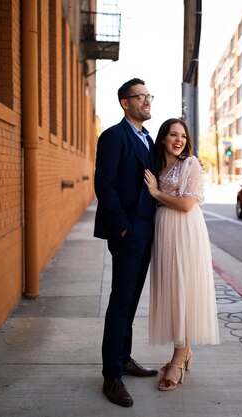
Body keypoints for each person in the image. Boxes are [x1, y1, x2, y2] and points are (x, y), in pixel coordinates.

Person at [93, 78, 159, 408]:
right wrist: (122, 229)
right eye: (140, 96)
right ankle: (111, 376)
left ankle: (125, 358)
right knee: (120, 301)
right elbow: (104, 186)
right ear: (125, 103)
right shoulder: (113, 137)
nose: (147, 101)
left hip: (148, 230)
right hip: (128, 232)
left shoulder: (149, 137)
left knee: (132, 301)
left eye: (149, 95)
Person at [143, 118, 220, 391]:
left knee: (183, 291)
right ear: (163, 138)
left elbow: (187, 204)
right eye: (173, 135)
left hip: (186, 231)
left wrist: (155, 192)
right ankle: (183, 352)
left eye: (183, 136)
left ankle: (179, 356)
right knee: (171, 291)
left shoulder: (191, 164)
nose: (179, 140)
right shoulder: (156, 165)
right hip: (164, 233)